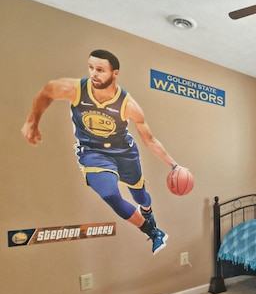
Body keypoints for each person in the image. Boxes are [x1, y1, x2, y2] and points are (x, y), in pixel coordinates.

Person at [21, 49, 180, 255]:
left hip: (125, 153)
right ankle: (153, 231)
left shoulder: (128, 104)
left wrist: (173, 164)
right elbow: (47, 92)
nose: (94, 73)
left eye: (100, 70)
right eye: (91, 68)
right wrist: (32, 121)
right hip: (92, 152)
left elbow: (149, 139)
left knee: (140, 196)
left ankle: (147, 211)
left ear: (115, 73)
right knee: (110, 194)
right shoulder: (75, 89)